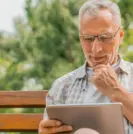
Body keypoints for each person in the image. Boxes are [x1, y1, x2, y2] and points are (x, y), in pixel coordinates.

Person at [38, 0, 133, 134]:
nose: (96, 49)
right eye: (88, 38)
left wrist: (115, 91)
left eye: (105, 37)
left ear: (120, 35)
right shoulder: (62, 87)